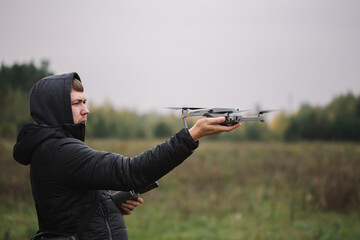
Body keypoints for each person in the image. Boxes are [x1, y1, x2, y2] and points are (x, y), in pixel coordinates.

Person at [13, 72, 240, 240]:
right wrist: (192, 136)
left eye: (85, 101)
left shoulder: (56, 148)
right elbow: (133, 172)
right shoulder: (60, 152)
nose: (86, 109)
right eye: (77, 103)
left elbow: (69, 211)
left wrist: (109, 205)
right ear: (55, 109)